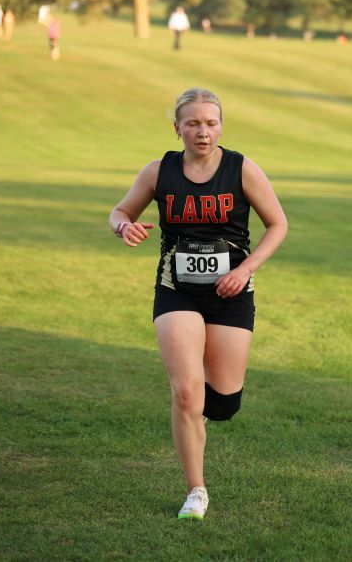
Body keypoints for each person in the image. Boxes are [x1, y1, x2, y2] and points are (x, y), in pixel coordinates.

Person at [109, 88, 288, 520]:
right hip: (177, 290)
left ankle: (200, 418)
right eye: (192, 123)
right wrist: (122, 228)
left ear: (221, 126)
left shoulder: (242, 169)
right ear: (177, 128)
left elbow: (278, 225)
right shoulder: (158, 172)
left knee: (222, 403)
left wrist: (245, 270)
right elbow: (120, 211)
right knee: (188, 393)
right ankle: (196, 490)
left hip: (231, 293)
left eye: (210, 123)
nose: (202, 131)